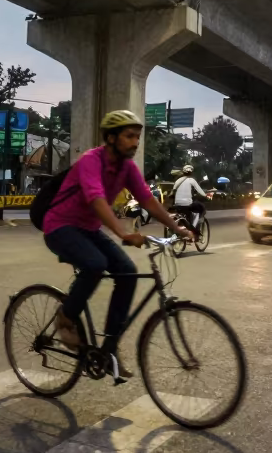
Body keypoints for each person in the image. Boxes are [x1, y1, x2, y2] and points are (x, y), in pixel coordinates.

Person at [42, 110, 191, 376]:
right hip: (60, 226)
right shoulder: (91, 161)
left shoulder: (127, 168)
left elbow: (147, 199)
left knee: (128, 272)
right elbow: (95, 198)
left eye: (137, 137)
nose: (135, 142)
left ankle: (108, 349)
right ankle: (66, 318)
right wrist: (123, 233)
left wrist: (176, 227)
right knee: (95, 264)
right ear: (111, 138)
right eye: (129, 136)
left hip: (87, 229)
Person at [171, 164, 208, 236]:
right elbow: (201, 192)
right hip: (188, 204)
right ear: (191, 172)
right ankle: (193, 229)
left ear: (183, 172)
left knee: (184, 214)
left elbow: (173, 191)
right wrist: (206, 196)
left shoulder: (178, 181)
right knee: (200, 208)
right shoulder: (191, 180)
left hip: (177, 204)